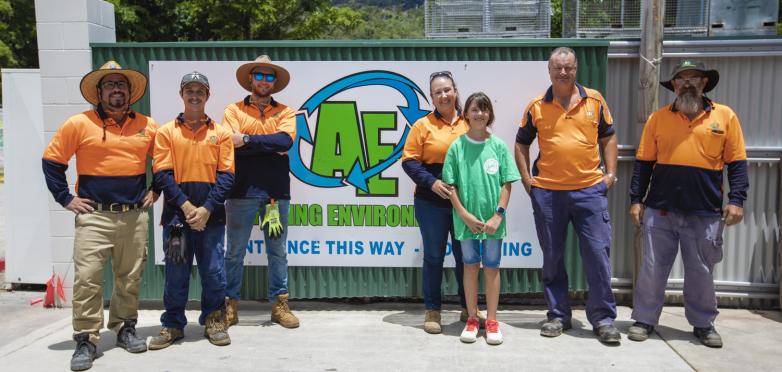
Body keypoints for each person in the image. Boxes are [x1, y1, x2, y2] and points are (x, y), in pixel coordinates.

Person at [42, 61, 158, 371]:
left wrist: (156, 188)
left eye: (121, 84)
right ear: (99, 92)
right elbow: (52, 162)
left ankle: (124, 328)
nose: (116, 89)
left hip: (133, 216)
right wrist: (66, 198)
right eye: (109, 85)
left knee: (129, 278)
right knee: (88, 280)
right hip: (94, 217)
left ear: (130, 91)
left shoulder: (147, 125)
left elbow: (165, 160)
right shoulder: (78, 124)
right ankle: (86, 339)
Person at [628, 60, 748, 348]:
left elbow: (738, 164)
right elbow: (643, 163)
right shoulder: (659, 118)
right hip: (661, 209)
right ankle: (644, 319)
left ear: (704, 83)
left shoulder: (725, 116)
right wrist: (636, 200)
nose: (688, 84)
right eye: (682, 80)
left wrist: (737, 200)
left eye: (694, 79)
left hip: (704, 212)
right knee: (653, 268)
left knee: (701, 272)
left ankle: (703, 324)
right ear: (674, 86)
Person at [514, 47, 621, 343]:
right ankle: (558, 315)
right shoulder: (536, 106)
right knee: (552, 257)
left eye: (569, 68)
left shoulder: (595, 100)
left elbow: (609, 137)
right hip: (548, 194)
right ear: (549, 71)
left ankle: (603, 318)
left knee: (598, 256)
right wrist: (528, 181)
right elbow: (521, 144)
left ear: (576, 70)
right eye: (558, 68)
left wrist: (610, 175)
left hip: (589, 192)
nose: (563, 72)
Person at [148, 72, 235, 349]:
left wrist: (207, 208)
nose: (194, 95)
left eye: (200, 91)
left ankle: (214, 320)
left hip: (212, 218)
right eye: (189, 90)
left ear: (207, 96)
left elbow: (227, 176)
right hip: (177, 217)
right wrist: (186, 207)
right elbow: (162, 174)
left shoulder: (220, 133)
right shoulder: (166, 132)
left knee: (213, 271)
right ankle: (173, 324)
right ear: (181, 94)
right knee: (176, 270)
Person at [222, 55, 299, 328]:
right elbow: (230, 143)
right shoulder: (233, 110)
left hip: (274, 194)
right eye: (260, 76)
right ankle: (229, 304)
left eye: (269, 77)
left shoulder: (286, 112)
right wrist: (265, 145)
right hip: (240, 191)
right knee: (234, 252)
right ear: (251, 79)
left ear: (275, 82)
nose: (264, 81)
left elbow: (285, 141)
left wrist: (246, 139)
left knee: (277, 251)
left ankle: (280, 304)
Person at [402, 70, 477, 334]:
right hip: (430, 201)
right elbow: (409, 161)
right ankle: (433, 310)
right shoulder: (422, 125)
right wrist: (432, 182)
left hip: (464, 202)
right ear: (432, 97)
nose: (443, 95)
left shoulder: (471, 122)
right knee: (434, 256)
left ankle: (469, 308)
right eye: (437, 92)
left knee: (465, 257)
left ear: (455, 91)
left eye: (447, 90)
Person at [443, 92, 520, 345]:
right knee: (470, 266)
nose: (479, 114)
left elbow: (507, 182)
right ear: (465, 114)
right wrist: (463, 214)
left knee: (492, 267)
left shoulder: (497, 146)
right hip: (465, 222)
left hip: (492, 223)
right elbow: (450, 186)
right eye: (475, 109)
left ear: (490, 114)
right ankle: (473, 319)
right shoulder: (457, 147)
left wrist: (498, 215)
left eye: (484, 109)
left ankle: (493, 320)